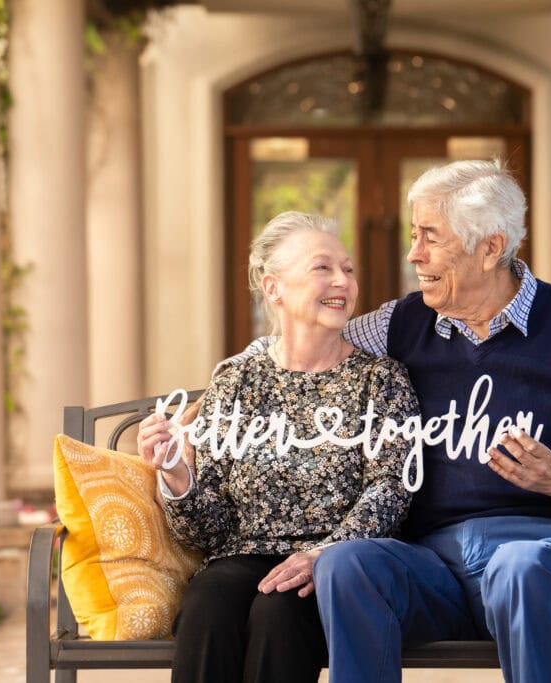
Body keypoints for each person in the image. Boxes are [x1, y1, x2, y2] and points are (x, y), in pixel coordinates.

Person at [241, 159, 551, 683]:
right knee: (346, 563)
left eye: (430, 237)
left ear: (490, 248)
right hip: (435, 568)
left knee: (519, 567)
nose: (413, 254)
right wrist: (208, 404)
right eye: (414, 235)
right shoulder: (401, 323)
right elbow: (300, 349)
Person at [136, 211, 418, 683]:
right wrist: (176, 475)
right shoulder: (237, 381)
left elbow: (391, 490)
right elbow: (209, 534)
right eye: (322, 267)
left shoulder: (381, 380)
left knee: (280, 612)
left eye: (348, 269)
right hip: (242, 556)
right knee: (208, 601)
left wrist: (324, 554)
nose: (342, 281)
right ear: (273, 288)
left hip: (338, 566)